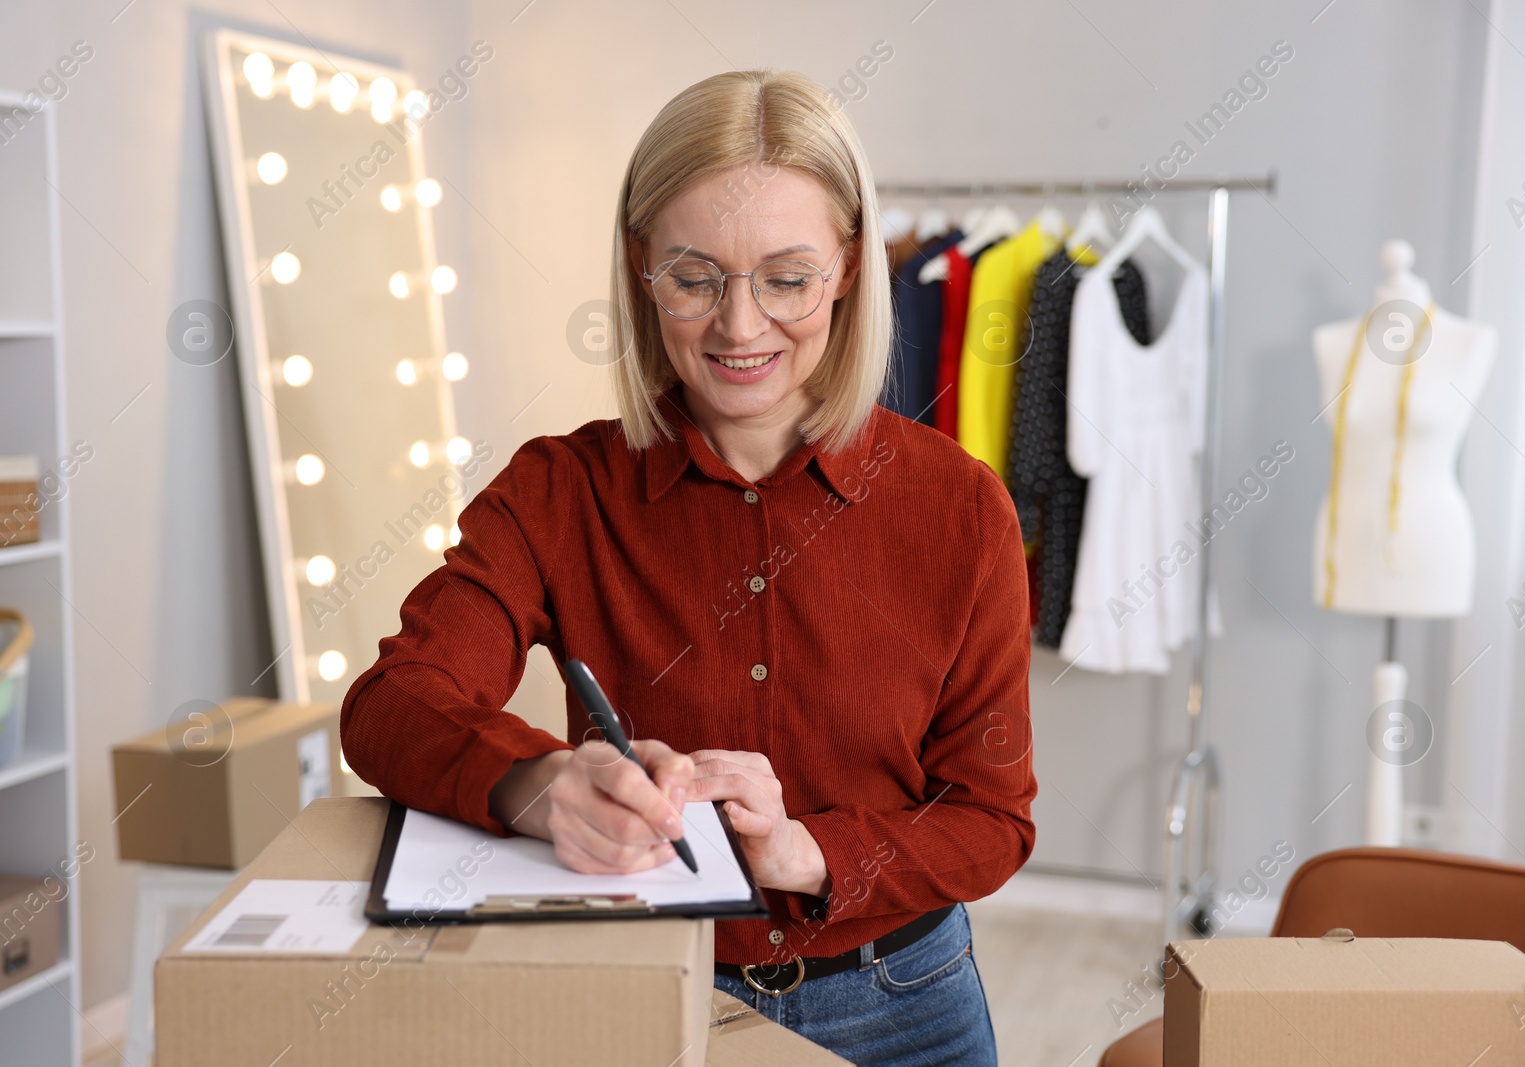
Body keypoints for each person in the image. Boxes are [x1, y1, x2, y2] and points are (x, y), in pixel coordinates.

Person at [341, 68, 1035, 1067]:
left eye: (786, 278)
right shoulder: (558, 490)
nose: (739, 327)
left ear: (847, 265)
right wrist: (535, 782)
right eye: (695, 276)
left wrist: (808, 849)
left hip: (908, 1009)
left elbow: (991, 817)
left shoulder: (961, 506)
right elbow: (391, 702)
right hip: (646, 995)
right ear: (640, 268)